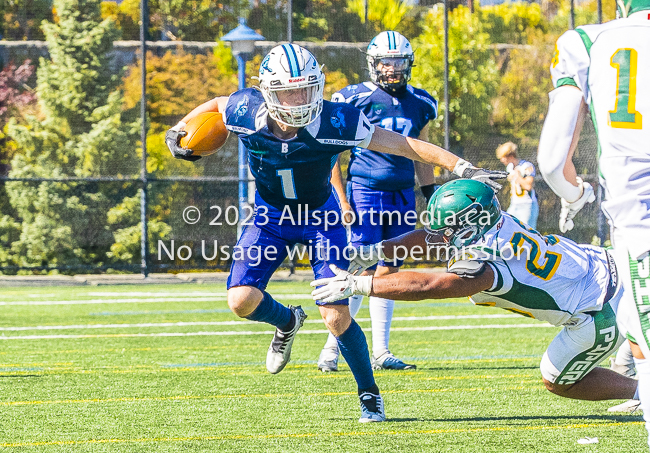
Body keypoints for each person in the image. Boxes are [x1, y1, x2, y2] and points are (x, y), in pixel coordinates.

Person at [165, 44, 506, 423]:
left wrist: (462, 167)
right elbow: (216, 103)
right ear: (266, 91)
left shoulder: (337, 120)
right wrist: (180, 128)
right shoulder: (245, 109)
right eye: (288, 91)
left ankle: (369, 394)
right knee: (240, 301)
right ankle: (287, 321)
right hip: (269, 215)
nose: (298, 100)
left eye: (306, 89)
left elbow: (405, 145)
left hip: (320, 218)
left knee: (335, 315)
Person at [311, 179, 640, 405]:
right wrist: (377, 250)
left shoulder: (485, 263)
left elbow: (428, 285)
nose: (442, 234)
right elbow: (430, 237)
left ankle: (641, 393)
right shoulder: (497, 221)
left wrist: (358, 285)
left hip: (596, 311)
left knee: (556, 380)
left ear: (468, 226)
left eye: (448, 228)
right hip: (615, 264)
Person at [535, 0, 650, 444]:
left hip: (640, 223)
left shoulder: (587, 40)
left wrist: (575, 194)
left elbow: (550, 161)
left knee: (643, 345)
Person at [318, 31, 438, 372]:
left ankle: (382, 351)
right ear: (374, 64)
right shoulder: (353, 99)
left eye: (399, 62)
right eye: (387, 62)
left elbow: (422, 154)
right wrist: (342, 199)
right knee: (357, 267)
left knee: (389, 271)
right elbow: (333, 154)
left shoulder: (421, 102)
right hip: (365, 192)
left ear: (409, 63)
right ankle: (332, 346)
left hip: (402, 194)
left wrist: (429, 196)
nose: (393, 69)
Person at [496, 142, 539, 229]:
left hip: (527, 205)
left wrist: (517, 175)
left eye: (503, 157)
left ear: (511, 156)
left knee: (527, 233)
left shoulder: (526, 166)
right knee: (506, 228)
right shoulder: (509, 167)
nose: (502, 160)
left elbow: (528, 186)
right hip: (514, 204)